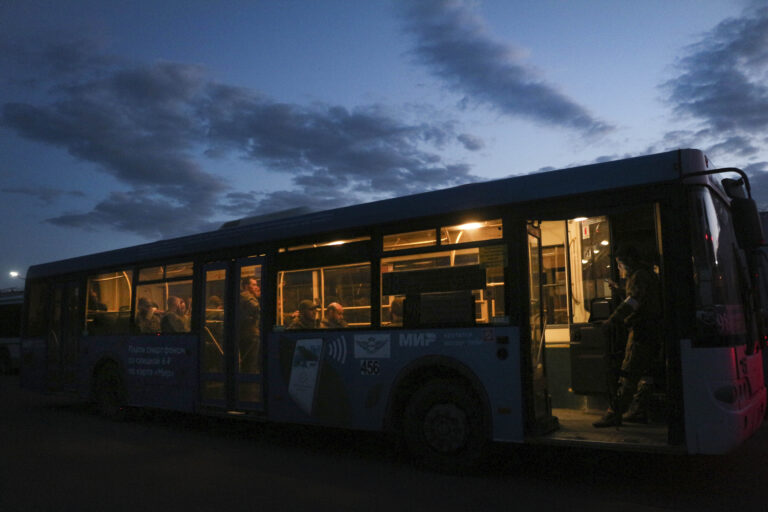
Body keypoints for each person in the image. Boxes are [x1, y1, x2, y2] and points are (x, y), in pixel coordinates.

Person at [593, 244, 661, 428]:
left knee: (628, 372)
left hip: (640, 332)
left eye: (619, 264)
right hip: (652, 332)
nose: (619, 268)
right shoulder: (647, 275)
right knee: (645, 373)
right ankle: (639, 410)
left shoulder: (638, 276)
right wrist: (620, 290)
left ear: (627, 262)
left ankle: (614, 413)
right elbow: (643, 298)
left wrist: (611, 321)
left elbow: (634, 302)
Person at [239, 276, 261, 372]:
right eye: (254, 285)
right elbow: (256, 308)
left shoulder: (246, 297)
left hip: (247, 333)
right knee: (250, 363)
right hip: (250, 334)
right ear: (246, 286)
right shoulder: (246, 296)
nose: (257, 287)